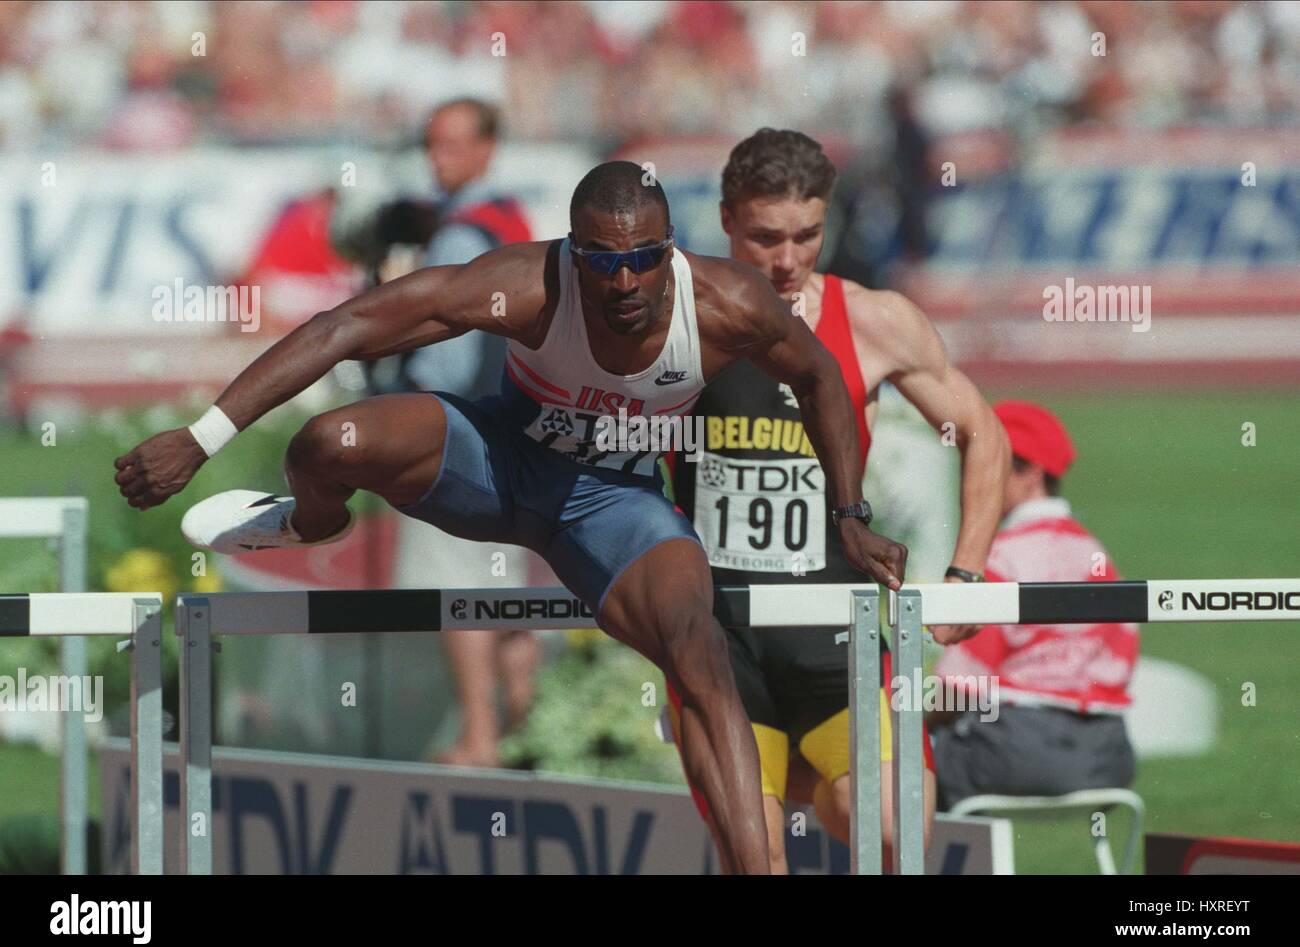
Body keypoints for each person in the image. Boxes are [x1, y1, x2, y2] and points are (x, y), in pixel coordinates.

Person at [113, 160, 910, 875]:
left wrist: (848, 512)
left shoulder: (729, 304)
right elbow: (345, 326)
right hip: (494, 464)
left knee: (697, 644)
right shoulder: (527, 284)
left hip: (612, 505)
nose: (626, 283)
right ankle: (314, 520)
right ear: (573, 253)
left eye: (643, 260)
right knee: (331, 440)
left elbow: (823, 379)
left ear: (671, 248)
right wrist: (201, 435)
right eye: (604, 263)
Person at [665, 128, 1010, 873]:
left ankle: (822, 797)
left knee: (892, 834)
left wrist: (967, 577)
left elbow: (985, 433)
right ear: (726, 219)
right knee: (756, 859)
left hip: (838, 638)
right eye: (764, 238)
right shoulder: (672, 319)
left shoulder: (873, 321)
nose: (787, 260)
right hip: (719, 645)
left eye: (807, 235)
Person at [398, 98, 540, 768]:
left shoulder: (461, 234)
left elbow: (440, 361)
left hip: (457, 430)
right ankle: (523, 725)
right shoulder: (512, 220)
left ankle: (480, 737)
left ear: (486, 147)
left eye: (452, 145)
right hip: (515, 423)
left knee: (453, 588)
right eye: (434, 144)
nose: (438, 158)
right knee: (502, 582)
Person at [931, 400, 1139, 809]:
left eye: (985, 466)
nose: (971, 480)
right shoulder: (1095, 553)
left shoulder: (999, 557)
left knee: (892, 770)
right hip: (1110, 755)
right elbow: (1124, 654)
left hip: (1017, 752)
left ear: (1031, 473)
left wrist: (917, 725)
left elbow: (959, 686)